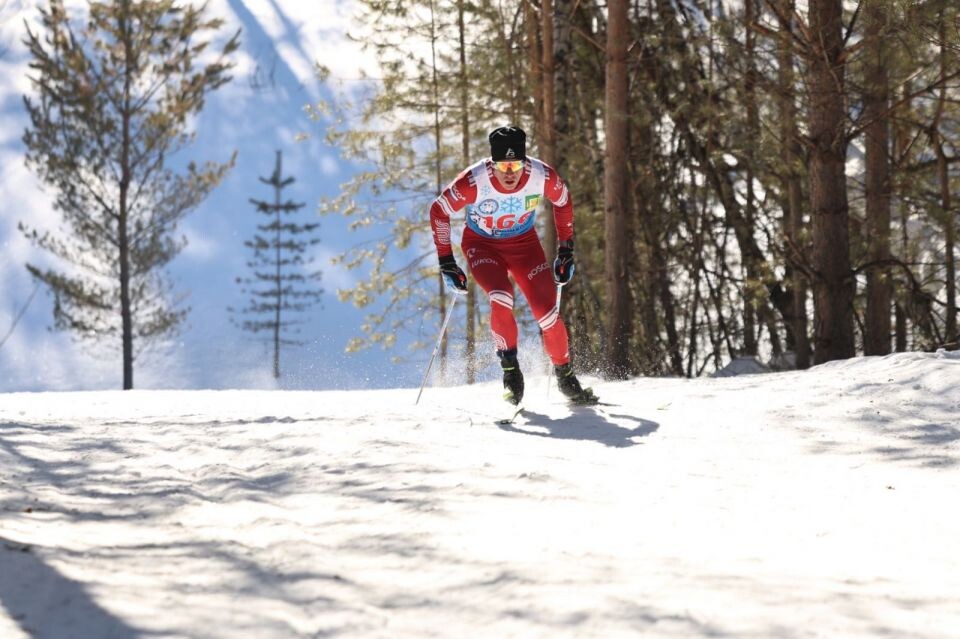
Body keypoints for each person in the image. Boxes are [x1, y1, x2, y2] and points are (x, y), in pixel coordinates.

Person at [428, 126, 596, 406]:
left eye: (516, 165)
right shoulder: (474, 181)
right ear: (491, 164)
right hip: (482, 245)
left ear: (525, 161)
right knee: (501, 296)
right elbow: (438, 211)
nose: (509, 173)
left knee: (547, 314)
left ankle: (565, 376)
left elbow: (563, 201)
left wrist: (566, 250)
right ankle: (511, 372)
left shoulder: (541, 176)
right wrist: (447, 261)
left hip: (524, 246)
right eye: (502, 166)